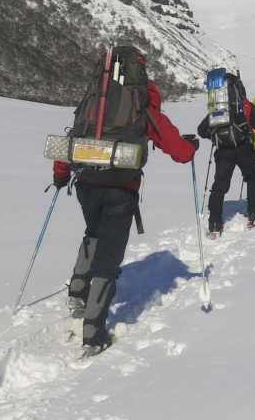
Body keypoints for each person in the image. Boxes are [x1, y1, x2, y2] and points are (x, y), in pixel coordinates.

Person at [53, 57, 198, 355]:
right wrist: (191, 147)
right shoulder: (142, 100)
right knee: (109, 258)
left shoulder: (96, 99)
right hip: (121, 188)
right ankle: (93, 335)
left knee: (93, 231)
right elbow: (179, 151)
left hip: (85, 183)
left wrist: (60, 175)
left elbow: (73, 137)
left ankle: (78, 293)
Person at [196, 78, 255, 234]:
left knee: (219, 186)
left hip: (222, 151)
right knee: (253, 177)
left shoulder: (217, 109)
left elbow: (201, 130)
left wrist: (215, 137)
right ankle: (253, 214)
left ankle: (214, 222)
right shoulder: (246, 106)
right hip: (244, 148)